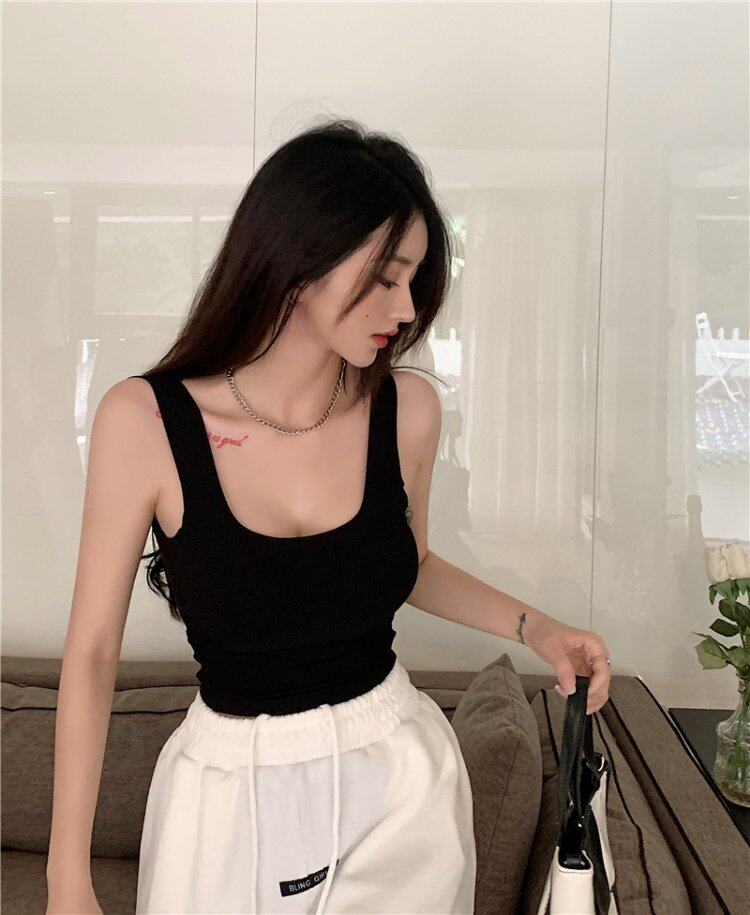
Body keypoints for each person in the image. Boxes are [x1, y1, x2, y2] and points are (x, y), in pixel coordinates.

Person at [45, 117, 612, 915]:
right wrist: (65, 875)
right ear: (300, 256)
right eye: (385, 277)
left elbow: (409, 562)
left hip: (398, 781)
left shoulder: (407, 411)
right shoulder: (143, 422)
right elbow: (93, 652)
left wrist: (539, 628)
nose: (405, 306)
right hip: (226, 792)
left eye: (414, 280)